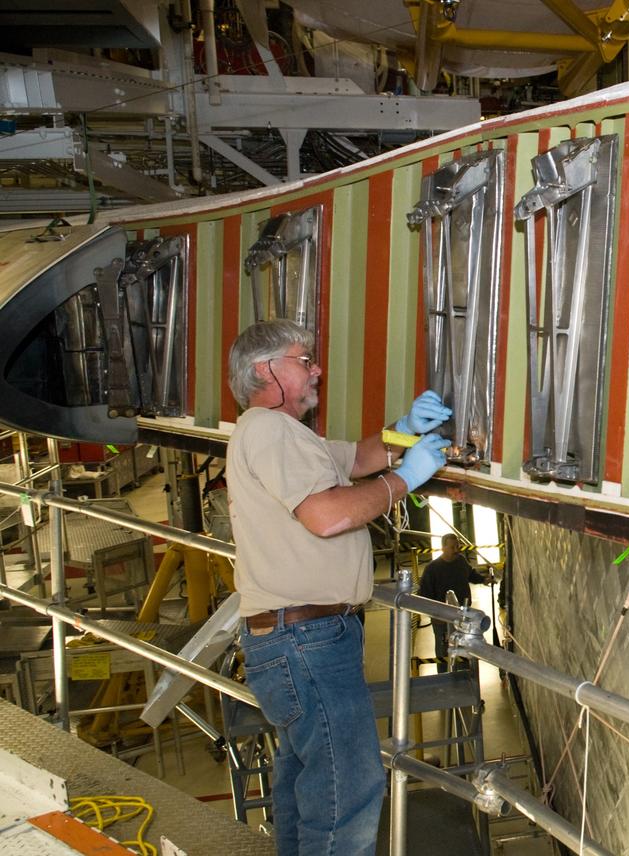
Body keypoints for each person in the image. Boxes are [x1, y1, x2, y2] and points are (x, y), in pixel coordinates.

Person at [225, 319, 451, 856]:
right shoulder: (267, 429)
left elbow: (357, 458)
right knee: (347, 791)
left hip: (298, 640)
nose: (316, 368)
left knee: (309, 787)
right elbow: (326, 516)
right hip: (306, 641)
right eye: (304, 360)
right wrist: (403, 482)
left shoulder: (285, 435)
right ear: (267, 370)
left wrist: (403, 430)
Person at [418, 533, 491, 672]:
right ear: (443, 547)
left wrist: (483, 580)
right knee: (443, 649)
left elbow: (470, 574)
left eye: (457, 546)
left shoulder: (461, 561)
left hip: (463, 615)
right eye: (453, 547)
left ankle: (464, 674)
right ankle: (443, 675)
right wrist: (434, 616)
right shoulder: (432, 569)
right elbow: (425, 595)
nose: (456, 550)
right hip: (442, 618)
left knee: (464, 646)